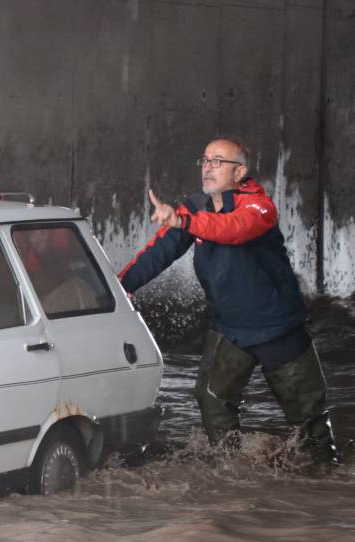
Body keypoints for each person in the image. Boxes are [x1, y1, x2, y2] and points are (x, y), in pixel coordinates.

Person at [120, 136, 339, 464]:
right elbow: (159, 253)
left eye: (218, 161)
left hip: (278, 330)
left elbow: (233, 229)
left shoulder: (258, 206)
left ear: (240, 173)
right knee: (211, 400)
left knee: (310, 422)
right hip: (230, 330)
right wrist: (121, 287)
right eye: (206, 161)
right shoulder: (194, 208)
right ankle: (234, 473)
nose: (208, 168)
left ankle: (321, 483)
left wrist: (182, 220)